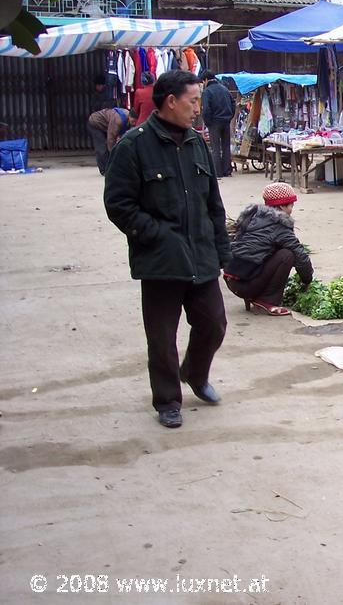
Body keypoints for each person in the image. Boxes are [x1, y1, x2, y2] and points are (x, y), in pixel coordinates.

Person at [103, 70, 230, 429]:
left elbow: (213, 203)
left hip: (201, 253)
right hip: (160, 259)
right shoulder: (134, 146)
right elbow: (118, 203)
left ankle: (194, 372)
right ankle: (167, 400)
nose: (198, 110)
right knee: (161, 336)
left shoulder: (197, 142)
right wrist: (155, 234)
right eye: (193, 102)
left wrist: (223, 249)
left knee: (214, 324)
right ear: (171, 102)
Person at [224, 182, 314, 316]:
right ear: (282, 206)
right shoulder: (279, 225)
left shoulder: (253, 215)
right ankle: (267, 300)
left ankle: (253, 295)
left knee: (274, 250)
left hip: (231, 280)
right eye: (291, 205)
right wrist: (307, 280)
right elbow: (300, 255)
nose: (291, 209)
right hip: (245, 285)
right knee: (287, 255)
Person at [201, 72, 235, 178]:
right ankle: (227, 170)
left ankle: (217, 172)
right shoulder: (224, 89)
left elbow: (206, 109)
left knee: (215, 148)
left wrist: (208, 122)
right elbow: (233, 104)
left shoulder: (207, 92)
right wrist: (230, 116)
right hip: (226, 121)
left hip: (214, 122)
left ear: (206, 80)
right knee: (225, 146)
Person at [87, 106, 136, 175]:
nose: (134, 124)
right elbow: (111, 139)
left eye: (135, 122)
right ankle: (104, 170)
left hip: (106, 125)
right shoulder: (118, 120)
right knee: (102, 148)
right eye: (133, 121)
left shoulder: (127, 119)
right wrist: (114, 154)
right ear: (129, 116)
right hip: (95, 123)